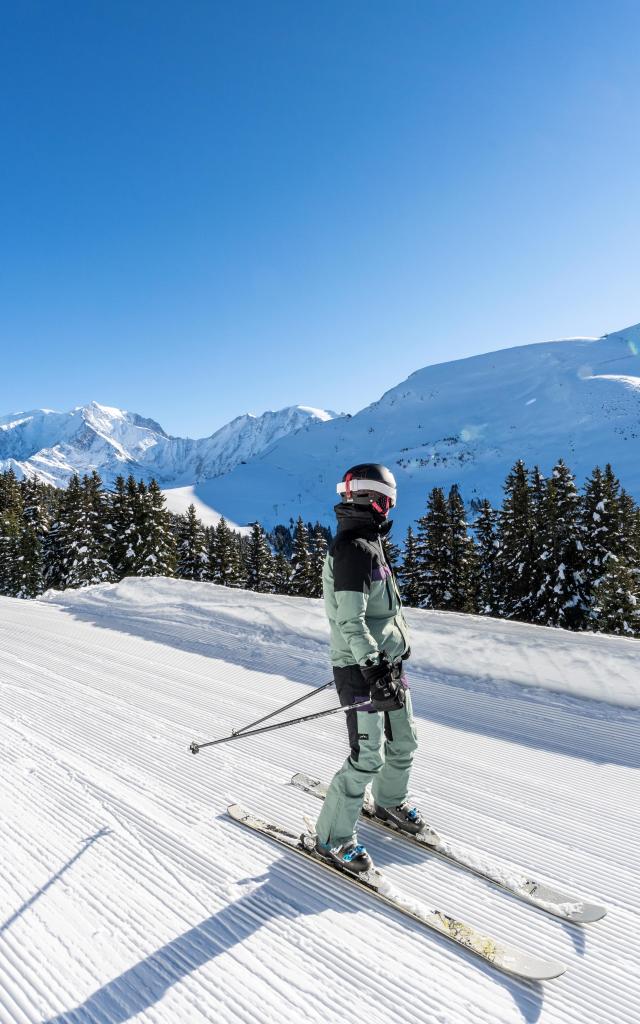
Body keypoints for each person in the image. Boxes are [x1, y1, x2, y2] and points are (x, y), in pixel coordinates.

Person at [314, 463, 423, 874]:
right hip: (362, 670)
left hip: (385, 664)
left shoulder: (370, 543)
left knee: (405, 742)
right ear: (372, 499)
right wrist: (375, 670)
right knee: (367, 757)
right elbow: (350, 622)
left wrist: (388, 660)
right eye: (388, 500)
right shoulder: (352, 550)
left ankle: (391, 802)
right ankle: (332, 839)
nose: (390, 507)